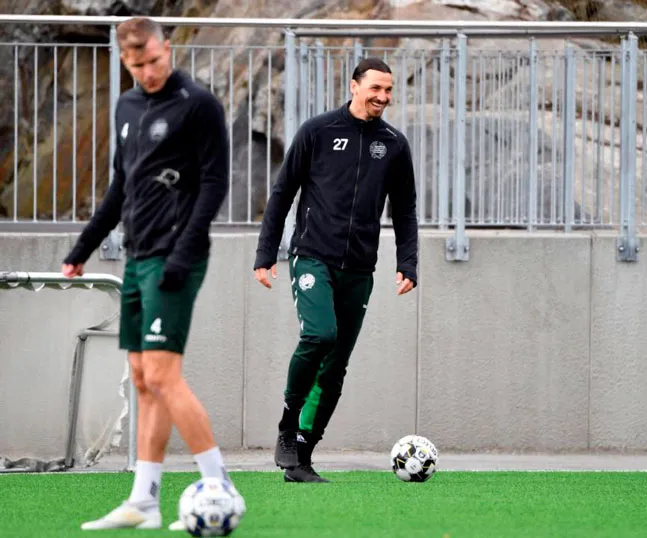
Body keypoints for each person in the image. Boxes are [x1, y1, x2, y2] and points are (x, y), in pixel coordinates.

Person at [61, 17, 239, 529]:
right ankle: (144, 500)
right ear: (125, 61)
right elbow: (121, 188)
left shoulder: (199, 105)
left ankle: (220, 483)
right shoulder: (128, 105)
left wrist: (183, 257)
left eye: (155, 60)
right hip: (137, 256)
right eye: (137, 65)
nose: (149, 71)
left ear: (168, 46)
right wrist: (82, 249)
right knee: (142, 380)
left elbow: (214, 184)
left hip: (175, 256)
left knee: (163, 374)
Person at [253, 57, 418, 483]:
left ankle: (303, 456)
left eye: (388, 90)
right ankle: (288, 426)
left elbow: (405, 210)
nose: (382, 97)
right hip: (312, 256)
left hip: (360, 268)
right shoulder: (318, 131)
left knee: (336, 364)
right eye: (375, 88)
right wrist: (265, 253)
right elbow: (282, 192)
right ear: (354, 85)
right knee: (319, 335)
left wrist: (408, 262)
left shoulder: (394, 144)